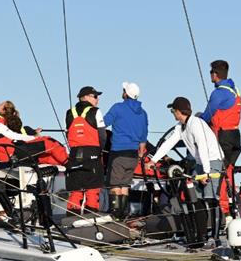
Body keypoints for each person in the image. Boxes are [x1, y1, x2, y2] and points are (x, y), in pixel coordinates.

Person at [147, 97, 225, 245]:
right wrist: (153, 160)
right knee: (197, 200)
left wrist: (206, 173)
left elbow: (202, 146)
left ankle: (215, 238)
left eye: (172, 111)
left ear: (178, 111)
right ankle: (201, 237)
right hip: (200, 163)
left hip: (212, 160)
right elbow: (169, 143)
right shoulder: (180, 127)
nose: (172, 114)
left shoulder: (196, 124)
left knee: (211, 199)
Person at [199, 59, 241, 216]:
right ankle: (229, 207)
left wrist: (195, 122)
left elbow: (207, 115)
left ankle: (219, 209)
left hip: (222, 136)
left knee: (217, 170)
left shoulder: (219, 93)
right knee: (228, 171)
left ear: (215, 74)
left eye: (211, 72)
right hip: (235, 136)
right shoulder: (234, 90)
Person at [103, 82, 148, 219]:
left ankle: (115, 215)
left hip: (118, 153)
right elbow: (143, 137)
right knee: (124, 186)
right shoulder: (143, 113)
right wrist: (140, 153)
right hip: (133, 156)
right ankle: (123, 216)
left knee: (115, 185)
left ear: (126, 93)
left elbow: (104, 122)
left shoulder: (118, 108)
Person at [65, 86, 107, 215]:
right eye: (95, 96)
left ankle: (70, 219)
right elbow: (102, 135)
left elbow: (68, 133)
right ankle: (90, 219)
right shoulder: (96, 111)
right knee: (92, 189)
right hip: (92, 152)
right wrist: (101, 149)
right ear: (86, 97)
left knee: (76, 190)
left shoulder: (69, 112)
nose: (97, 99)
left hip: (74, 153)